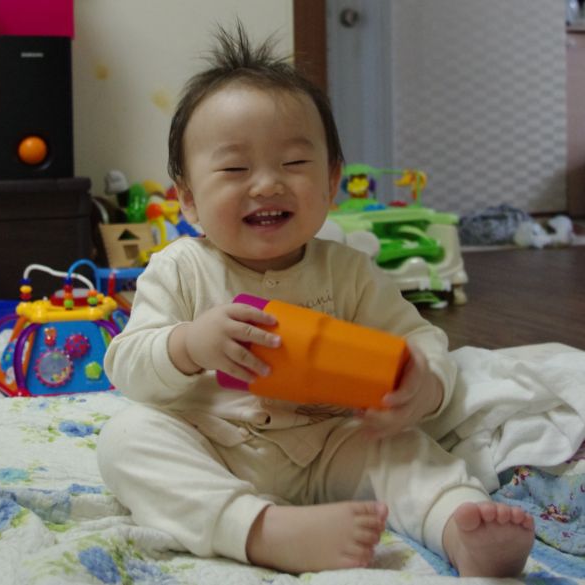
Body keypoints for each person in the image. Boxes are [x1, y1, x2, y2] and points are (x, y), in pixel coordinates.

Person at [97, 23, 534, 577]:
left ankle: (459, 523)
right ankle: (261, 530)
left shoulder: (348, 272)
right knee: (125, 440)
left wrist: (421, 384)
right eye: (234, 169)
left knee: (403, 447)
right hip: (213, 445)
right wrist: (187, 345)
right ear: (188, 199)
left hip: (332, 443)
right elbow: (128, 367)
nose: (266, 184)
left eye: (294, 164)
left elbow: (418, 339)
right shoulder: (178, 270)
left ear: (330, 183)